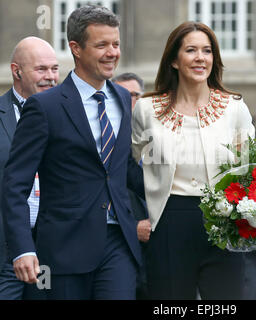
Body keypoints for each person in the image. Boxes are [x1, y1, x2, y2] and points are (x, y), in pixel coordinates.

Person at [1, 5, 144, 300]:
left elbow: (124, 168)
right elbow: (15, 183)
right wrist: (23, 248)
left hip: (118, 244)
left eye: (115, 44)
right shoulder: (45, 107)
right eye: (101, 45)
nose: (112, 52)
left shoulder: (120, 97)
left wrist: (183, 191)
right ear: (76, 49)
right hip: (63, 251)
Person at [131, 21, 255, 299]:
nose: (201, 58)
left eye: (207, 51)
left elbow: (249, 171)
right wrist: (135, 218)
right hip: (168, 223)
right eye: (191, 50)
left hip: (224, 223)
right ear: (174, 60)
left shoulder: (235, 108)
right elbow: (128, 166)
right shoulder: (146, 110)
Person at [0, 36, 59, 300]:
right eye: (41, 69)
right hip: (5, 251)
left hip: (52, 246)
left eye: (54, 69)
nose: (51, 77)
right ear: (16, 71)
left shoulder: (69, 115)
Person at [113, 72, 150, 300]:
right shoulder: (106, 145)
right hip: (121, 254)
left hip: (161, 258)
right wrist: (131, 227)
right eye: (121, 95)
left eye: (134, 95)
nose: (129, 101)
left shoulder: (161, 139)